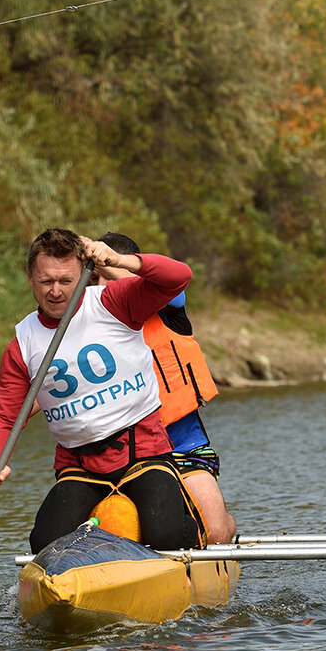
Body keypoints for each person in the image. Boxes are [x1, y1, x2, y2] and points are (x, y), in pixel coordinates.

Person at [0, 228, 207, 554]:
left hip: (143, 453)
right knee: (44, 543)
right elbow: (5, 416)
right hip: (80, 466)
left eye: (66, 281)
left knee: (165, 533)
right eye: (46, 282)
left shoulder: (114, 301)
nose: (56, 291)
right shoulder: (22, 345)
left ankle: (192, 538)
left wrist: (120, 260)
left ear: (84, 275)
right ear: (30, 278)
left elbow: (178, 277)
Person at [92, 231, 237, 544]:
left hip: (181, 445)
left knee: (216, 532)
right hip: (117, 455)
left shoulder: (169, 304)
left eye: (108, 276)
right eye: (94, 280)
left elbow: (172, 286)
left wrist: (110, 264)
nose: (102, 289)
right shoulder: (83, 324)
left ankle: (222, 527)